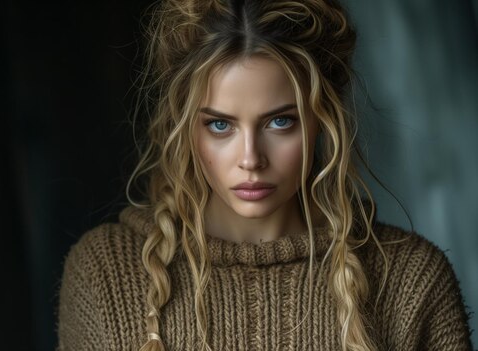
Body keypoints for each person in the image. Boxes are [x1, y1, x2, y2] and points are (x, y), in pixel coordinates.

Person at [56, 0, 473, 350]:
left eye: (280, 123)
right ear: (184, 127)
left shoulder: (409, 280)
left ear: (320, 120)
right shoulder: (105, 275)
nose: (251, 158)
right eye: (220, 125)